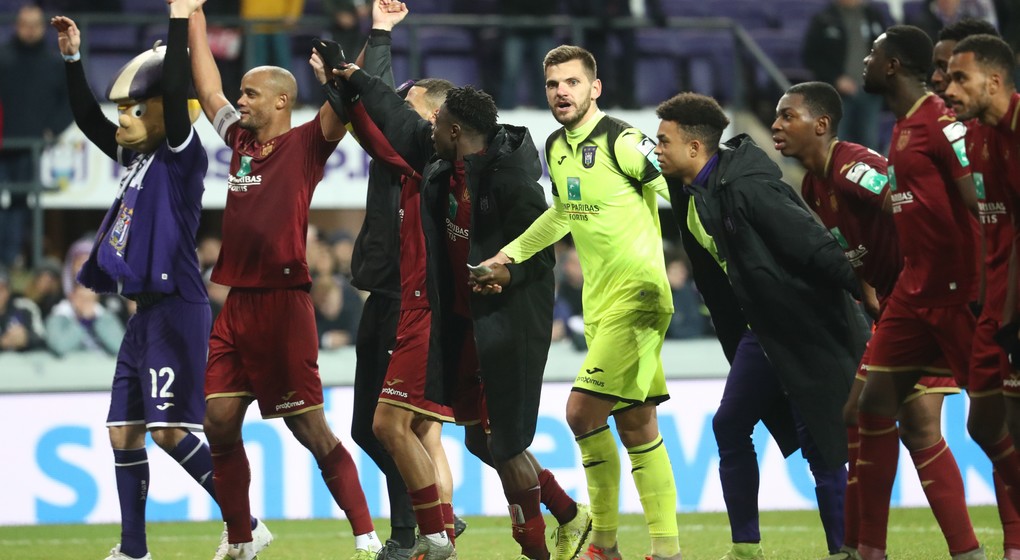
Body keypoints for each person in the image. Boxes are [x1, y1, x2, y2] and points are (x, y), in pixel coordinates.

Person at [333, 59, 591, 560]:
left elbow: (540, 253)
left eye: (433, 124)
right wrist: (351, 79)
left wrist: (506, 271)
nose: (426, 131)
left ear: (453, 128)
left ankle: (464, 540)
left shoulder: (510, 182)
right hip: (457, 325)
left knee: (499, 446)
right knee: (476, 442)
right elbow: (392, 122)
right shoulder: (441, 165)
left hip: (504, 328)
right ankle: (561, 512)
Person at [50, 7, 270, 560]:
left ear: (165, 114)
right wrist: (74, 59)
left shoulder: (179, 155)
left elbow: (176, 89)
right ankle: (133, 550)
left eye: (133, 110)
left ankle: (246, 523)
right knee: (123, 431)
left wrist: (177, 22)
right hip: (143, 312)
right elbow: (86, 120)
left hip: (177, 305)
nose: (121, 119)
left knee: (170, 431)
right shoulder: (137, 157)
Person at [187, 2, 380, 559]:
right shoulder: (241, 145)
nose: (238, 101)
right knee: (218, 420)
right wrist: (192, 14)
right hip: (237, 307)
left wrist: (379, 32)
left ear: (281, 101)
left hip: (284, 306)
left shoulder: (306, 145)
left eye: (249, 93)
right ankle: (243, 539)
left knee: (312, 432)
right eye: (239, 92)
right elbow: (207, 86)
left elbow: (349, 95)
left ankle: (366, 536)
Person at [474, 44, 680, 560]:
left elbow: (687, 191)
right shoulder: (557, 146)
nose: (561, 92)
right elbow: (562, 215)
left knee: (581, 412)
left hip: (639, 296)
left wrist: (726, 255)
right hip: (601, 303)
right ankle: (666, 548)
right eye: (552, 85)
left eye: (571, 82)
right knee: (636, 423)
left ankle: (603, 544)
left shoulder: (626, 142)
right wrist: (508, 255)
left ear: (595, 88)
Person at [652, 92, 864, 560]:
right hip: (762, 330)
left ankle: (846, 550)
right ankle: (746, 547)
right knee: (729, 425)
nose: (656, 150)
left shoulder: (749, 187)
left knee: (823, 445)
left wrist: (867, 291)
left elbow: (814, 246)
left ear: (694, 148)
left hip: (806, 326)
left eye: (663, 141)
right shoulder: (688, 191)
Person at [772, 80, 977, 560]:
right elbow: (859, 246)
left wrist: (913, 282)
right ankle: (870, 547)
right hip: (900, 304)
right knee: (874, 417)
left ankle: (880, 548)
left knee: (912, 424)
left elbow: (906, 203)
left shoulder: (851, 169)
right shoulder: (813, 184)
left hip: (926, 300)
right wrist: (871, 288)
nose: (776, 125)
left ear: (821, 125)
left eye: (787, 116)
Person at [855, 25, 986, 560]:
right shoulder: (903, 125)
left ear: (891, 66)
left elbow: (979, 202)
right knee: (873, 407)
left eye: (872, 54)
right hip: (913, 293)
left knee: (997, 423)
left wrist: (993, 280)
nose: (864, 61)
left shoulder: (941, 123)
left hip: (960, 293)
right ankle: (870, 550)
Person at [336, 2, 462, 557]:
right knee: (378, 428)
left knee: (399, 428)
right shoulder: (397, 152)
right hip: (385, 296)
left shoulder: (426, 158)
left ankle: (416, 531)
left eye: (408, 107)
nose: (396, 113)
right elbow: (376, 104)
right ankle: (438, 518)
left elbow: (380, 100)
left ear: (433, 119)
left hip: (412, 301)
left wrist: (381, 34)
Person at [946, 33, 1020, 560]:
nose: (948, 89)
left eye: (958, 78)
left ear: (993, 81)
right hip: (997, 303)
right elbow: (997, 225)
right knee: (985, 422)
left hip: (1012, 304)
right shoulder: (978, 138)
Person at [0, 4, 72, 270]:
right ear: (16, 26)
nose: (28, 30)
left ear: (43, 28)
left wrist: (52, 130)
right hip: (2, 142)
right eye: (23, 24)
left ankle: (9, 262)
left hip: (31, 147)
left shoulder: (54, 63)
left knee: (21, 205)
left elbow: (68, 102)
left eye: (33, 24)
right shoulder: (2, 58)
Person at [802, 0, 889, 151]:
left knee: (869, 141)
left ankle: (872, 174)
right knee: (838, 143)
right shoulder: (824, 19)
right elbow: (811, 57)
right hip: (837, 94)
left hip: (870, 90)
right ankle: (838, 174)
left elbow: (886, 49)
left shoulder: (873, 16)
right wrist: (835, 78)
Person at [0, 268, 45, 353]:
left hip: (24, 364)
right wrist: (1, 343)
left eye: (1, 289)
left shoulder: (25, 307)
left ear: (8, 291)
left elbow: (43, 339)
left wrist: (27, 339)